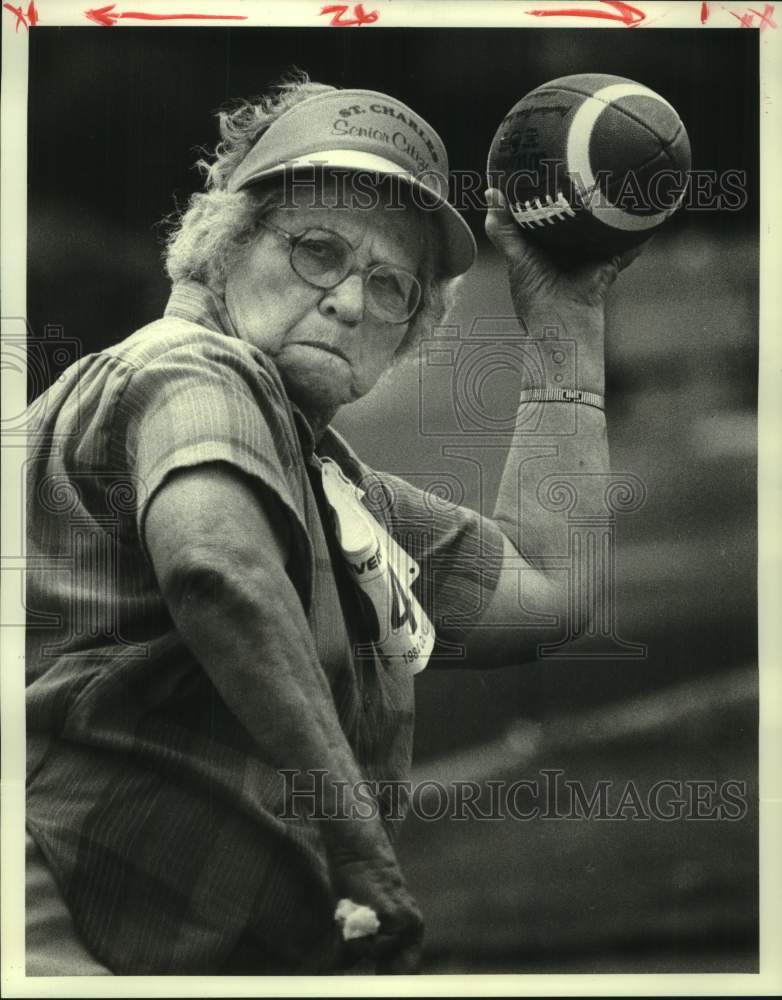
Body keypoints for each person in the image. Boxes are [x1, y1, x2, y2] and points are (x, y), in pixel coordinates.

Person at [25, 74, 627, 975]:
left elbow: (553, 586)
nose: (350, 299)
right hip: (65, 950)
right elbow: (215, 571)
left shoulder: (331, 486)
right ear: (222, 244)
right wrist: (356, 842)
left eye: (392, 286)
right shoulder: (188, 368)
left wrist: (568, 317)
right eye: (317, 250)